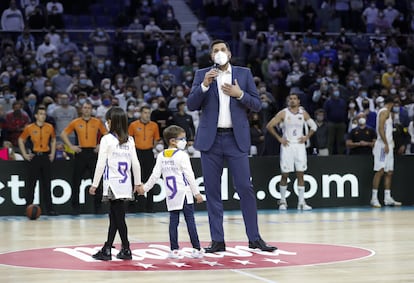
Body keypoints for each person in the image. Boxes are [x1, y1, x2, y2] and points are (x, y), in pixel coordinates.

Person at [187, 39, 276, 253]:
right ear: (211, 56)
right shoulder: (202, 74)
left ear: (229, 53)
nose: (219, 53)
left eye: (222, 49)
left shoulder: (244, 74)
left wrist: (241, 94)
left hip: (236, 139)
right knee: (213, 191)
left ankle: (254, 238)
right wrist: (205, 85)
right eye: (215, 50)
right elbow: (191, 104)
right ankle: (217, 240)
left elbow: (256, 104)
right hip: (211, 140)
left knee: (245, 188)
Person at [139, 125, 204, 259]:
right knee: (190, 220)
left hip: (171, 193)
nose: (185, 141)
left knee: (173, 221)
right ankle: (196, 248)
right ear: (172, 141)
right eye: (182, 138)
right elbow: (190, 175)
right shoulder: (182, 155)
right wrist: (196, 193)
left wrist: (144, 188)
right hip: (184, 192)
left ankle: (174, 249)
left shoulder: (161, 155)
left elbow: (155, 175)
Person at [89, 107, 142, 261]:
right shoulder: (130, 140)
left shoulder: (107, 139)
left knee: (118, 218)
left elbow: (100, 164)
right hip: (125, 184)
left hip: (112, 184)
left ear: (111, 122)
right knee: (115, 217)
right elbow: (136, 164)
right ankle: (108, 248)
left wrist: (94, 184)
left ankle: (126, 248)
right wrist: (137, 182)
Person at [266, 92, 317, 211]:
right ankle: (283, 201)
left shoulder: (303, 113)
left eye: (294, 99)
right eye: (290, 99)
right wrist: (279, 138)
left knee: (301, 173)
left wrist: (306, 137)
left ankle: (301, 202)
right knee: (285, 174)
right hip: (287, 145)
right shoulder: (283, 113)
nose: (292, 101)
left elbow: (314, 126)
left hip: (299, 146)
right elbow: (269, 126)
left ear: (299, 101)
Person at [61, 101, 108, 215]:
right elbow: (63, 134)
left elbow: (107, 134)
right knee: (76, 181)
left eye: (89, 108)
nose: (87, 109)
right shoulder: (76, 122)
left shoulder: (97, 122)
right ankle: (75, 208)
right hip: (81, 153)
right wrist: (71, 146)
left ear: (91, 110)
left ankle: (98, 208)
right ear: (81, 110)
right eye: (85, 108)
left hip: (93, 153)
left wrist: (100, 145)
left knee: (96, 181)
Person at [18, 105, 57, 216]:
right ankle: (28, 208)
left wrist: (53, 153)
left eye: (44, 114)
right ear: (36, 116)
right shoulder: (29, 128)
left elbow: (53, 140)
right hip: (35, 157)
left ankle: (49, 209)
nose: (43, 116)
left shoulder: (50, 127)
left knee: (47, 184)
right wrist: (24, 154)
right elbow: (21, 140)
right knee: (31, 184)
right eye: (40, 114)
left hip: (45, 156)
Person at [128, 105, 161, 213]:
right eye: (145, 113)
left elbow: (156, 139)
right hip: (137, 152)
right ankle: (135, 205)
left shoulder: (154, 125)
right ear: (141, 113)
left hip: (148, 153)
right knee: (136, 178)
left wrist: (151, 146)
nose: (147, 115)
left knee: (149, 177)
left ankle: (149, 206)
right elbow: (129, 139)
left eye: (149, 113)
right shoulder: (133, 125)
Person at [371, 96, 402, 208]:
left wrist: (390, 142)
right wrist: (385, 143)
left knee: (389, 172)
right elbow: (380, 129)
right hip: (382, 146)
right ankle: (374, 198)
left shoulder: (388, 113)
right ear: (391, 103)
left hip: (388, 145)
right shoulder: (384, 112)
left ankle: (387, 198)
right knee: (380, 170)